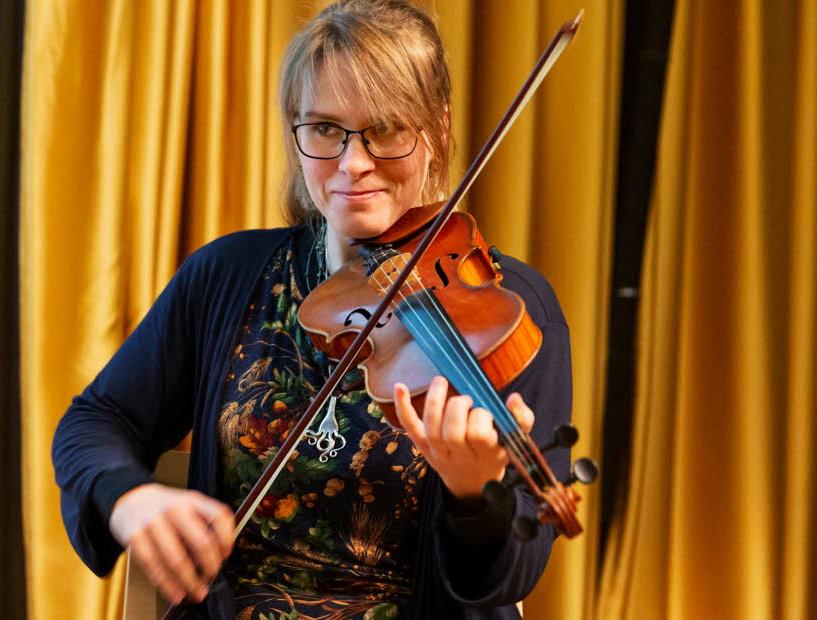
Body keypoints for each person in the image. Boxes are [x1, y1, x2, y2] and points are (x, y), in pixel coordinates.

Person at [52, 1, 574, 618]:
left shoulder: (503, 310)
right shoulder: (229, 274)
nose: (353, 164)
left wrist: (472, 496)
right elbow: (97, 420)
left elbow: (512, 571)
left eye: (385, 128)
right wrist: (128, 498)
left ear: (436, 130)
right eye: (325, 129)